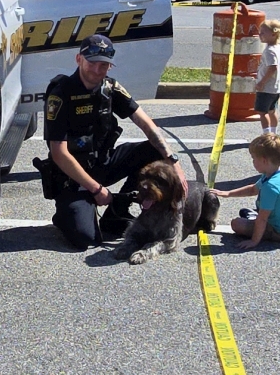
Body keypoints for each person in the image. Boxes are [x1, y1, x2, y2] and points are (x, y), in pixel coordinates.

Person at [43, 34, 188, 250]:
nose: (97, 70)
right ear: (79, 59)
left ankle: (116, 212)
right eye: (92, 63)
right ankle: (67, 214)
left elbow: (146, 123)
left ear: (110, 66)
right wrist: (96, 190)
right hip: (73, 177)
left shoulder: (110, 88)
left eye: (103, 65)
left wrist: (173, 161)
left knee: (155, 151)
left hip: (103, 163)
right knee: (85, 238)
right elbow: (59, 153)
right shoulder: (60, 94)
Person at [210, 133, 280, 250]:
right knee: (263, 213)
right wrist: (228, 193)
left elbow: (262, 219)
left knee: (236, 224)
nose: (253, 161)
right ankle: (256, 216)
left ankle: (254, 218)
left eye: (254, 158)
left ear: (264, 160)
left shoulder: (270, 187)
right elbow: (253, 189)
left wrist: (254, 241)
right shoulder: (275, 174)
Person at [255, 19, 280, 134]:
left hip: (266, 88)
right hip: (276, 87)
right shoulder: (278, 48)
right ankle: (274, 133)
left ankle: (266, 134)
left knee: (263, 113)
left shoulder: (269, 51)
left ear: (273, 34)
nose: (260, 35)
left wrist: (261, 82)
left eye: (263, 32)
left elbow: (272, 68)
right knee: (272, 111)